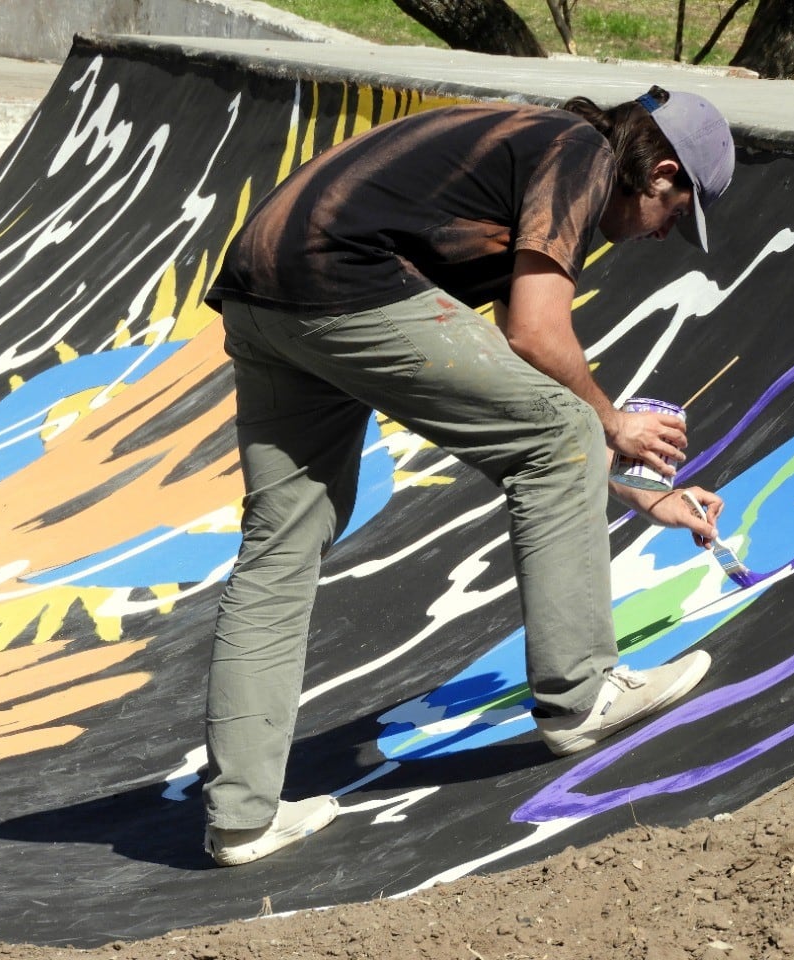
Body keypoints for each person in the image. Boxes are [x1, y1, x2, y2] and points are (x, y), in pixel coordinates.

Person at [200, 85, 735, 867]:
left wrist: (631, 492)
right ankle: (583, 694)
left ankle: (242, 817)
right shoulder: (579, 152)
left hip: (261, 287)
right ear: (657, 172)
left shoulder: (519, 141)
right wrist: (611, 426)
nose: (661, 238)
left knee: (282, 541)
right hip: (343, 279)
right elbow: (534, 333)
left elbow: (496, 425)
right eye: (674, 218)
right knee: (567, 426)